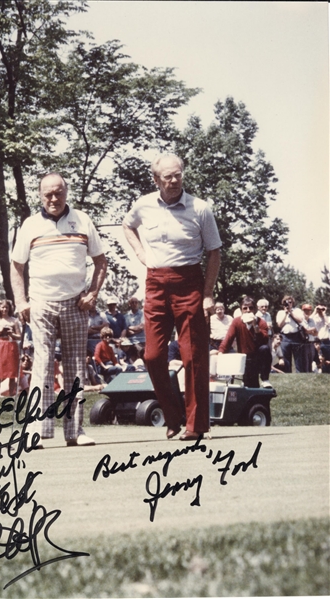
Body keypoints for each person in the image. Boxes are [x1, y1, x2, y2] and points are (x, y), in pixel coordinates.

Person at [123, 153, 221, 441]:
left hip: (189, 282)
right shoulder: (143, 205)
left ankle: (195, 425)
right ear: (156, 180)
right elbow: (127, 226)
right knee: (152, 355)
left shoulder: (200, 208)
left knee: (193, 358)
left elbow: (214, 251)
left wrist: (207, 294)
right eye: (168, 176)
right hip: (154, 284)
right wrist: (141, 254)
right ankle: (173, 415)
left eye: (178, 174)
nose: (175, 180)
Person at [11, 172, 107, 447]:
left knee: (75, 367)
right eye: (48, 194)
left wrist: (92, 294)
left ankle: (75, 431)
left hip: (76, 303)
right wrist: (21, 302)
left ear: (66, 192)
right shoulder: (29, 225)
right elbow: (17, 266)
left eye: (58, 192)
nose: (54, 198)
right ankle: (36, 430)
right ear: (40, 196)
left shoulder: (82, 220)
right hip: (41, 303)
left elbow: (101, 261)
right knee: (41, 366)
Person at [217, 296, 272, 388]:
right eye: (245, 308)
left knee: (265, 349)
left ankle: (265, 378)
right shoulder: (237, 322)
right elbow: (229, 338)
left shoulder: (261, 322)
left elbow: (265, 340)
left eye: (251, 308)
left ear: (254, 309)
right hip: (245, 357)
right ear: (241, 310)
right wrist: (221, 352)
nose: (248, 310)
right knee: (251, 386)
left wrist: (255, 327)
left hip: (258, 357)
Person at [0, 299, 21, 396]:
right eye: (2, 307)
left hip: (11, 345)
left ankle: (11, 394)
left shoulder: (14, 320)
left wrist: (11, 333)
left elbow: (19, 336)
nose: (4, 309)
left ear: (9, 308)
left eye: (6, 307)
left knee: (11, 372)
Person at [276, 295, 306, 373]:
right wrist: (286, 313)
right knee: (286, 357)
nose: (289, 304)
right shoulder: (280, 312)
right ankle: (287, 374)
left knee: (298, 357)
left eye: (290, 302)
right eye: (287, 302)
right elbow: (279, 325)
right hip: (285, 337)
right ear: (283, 304)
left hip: (296, 336)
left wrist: (291, 312)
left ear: (293, 303)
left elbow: (300, 320)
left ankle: (299, 373)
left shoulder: (297, 311)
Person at [301, 304, 318, 373]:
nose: (307, 312)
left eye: (308, 311)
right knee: (305, 362)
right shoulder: (301, 320)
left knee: (311, 361)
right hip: (304, 343)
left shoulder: (312, 320)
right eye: (305, 310)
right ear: (303, 311)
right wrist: (312, 329)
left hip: (311, 343)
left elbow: (316, 333)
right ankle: (305, 375)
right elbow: (306, 331)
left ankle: (309, 375)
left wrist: (311, 330)